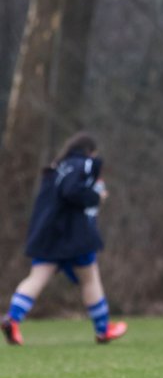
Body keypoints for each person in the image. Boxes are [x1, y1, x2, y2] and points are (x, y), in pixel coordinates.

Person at [2, 132, 128, 346]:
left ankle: (12, 319)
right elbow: (72, 191)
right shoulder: (85, 164)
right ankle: (103, 329)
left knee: (37, 277)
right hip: (73, 235)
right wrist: (96, 197)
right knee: (90, 278)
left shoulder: (56, 166)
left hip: (48, 233)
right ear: (90, 151)